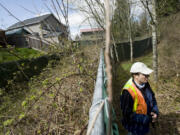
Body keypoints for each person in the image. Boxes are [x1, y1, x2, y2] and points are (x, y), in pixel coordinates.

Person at [120, 62, 159, 135]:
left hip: (145, 126)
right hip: (134, 129)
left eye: (147, 74)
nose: (148, 76)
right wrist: (147, 119)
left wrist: (155, 111)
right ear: (135, 75)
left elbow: (152, 99)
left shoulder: (145, 84)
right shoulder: (128, 91)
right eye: (145, 75)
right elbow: (127, 115)